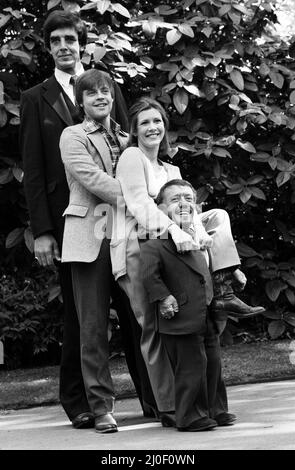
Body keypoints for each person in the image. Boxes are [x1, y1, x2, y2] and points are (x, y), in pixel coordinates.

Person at [19, 10, 154, 430]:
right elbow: (34, 170)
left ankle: (153, 395)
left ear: (80, 44)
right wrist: (42, 230)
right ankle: (82, 403)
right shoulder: (34, 98)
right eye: (56, 40)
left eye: (70, 40)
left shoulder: (107, 87)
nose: (64, 46)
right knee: (82, 319)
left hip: (125, 221)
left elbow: (132, 155)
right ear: (49, 47)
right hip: (72, 223)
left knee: (136, 312)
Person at [111, 97, 264, 420]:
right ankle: (168, 406)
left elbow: (187, 213)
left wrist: (207, 247)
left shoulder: (171, 169)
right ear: (135, 131)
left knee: (218, 215)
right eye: (145, 123)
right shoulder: (131, 157)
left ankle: (223, 286)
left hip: (176, 250)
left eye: (157, 121)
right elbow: (139, 204)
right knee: (154, 328)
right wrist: (176, 230)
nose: (153, 127)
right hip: (140, 247)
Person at [140, 179, 236, 431]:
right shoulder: (154, 244)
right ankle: (190, 416)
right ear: (159, 210)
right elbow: (149, 276)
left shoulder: (198, 240)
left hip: (205, 314)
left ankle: (216, 409)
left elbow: (211, 269)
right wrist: (163, 297)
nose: (183, 204)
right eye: (175, 200)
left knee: (213, 364)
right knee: (191, 368)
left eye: (189, 199)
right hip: (179, 316)